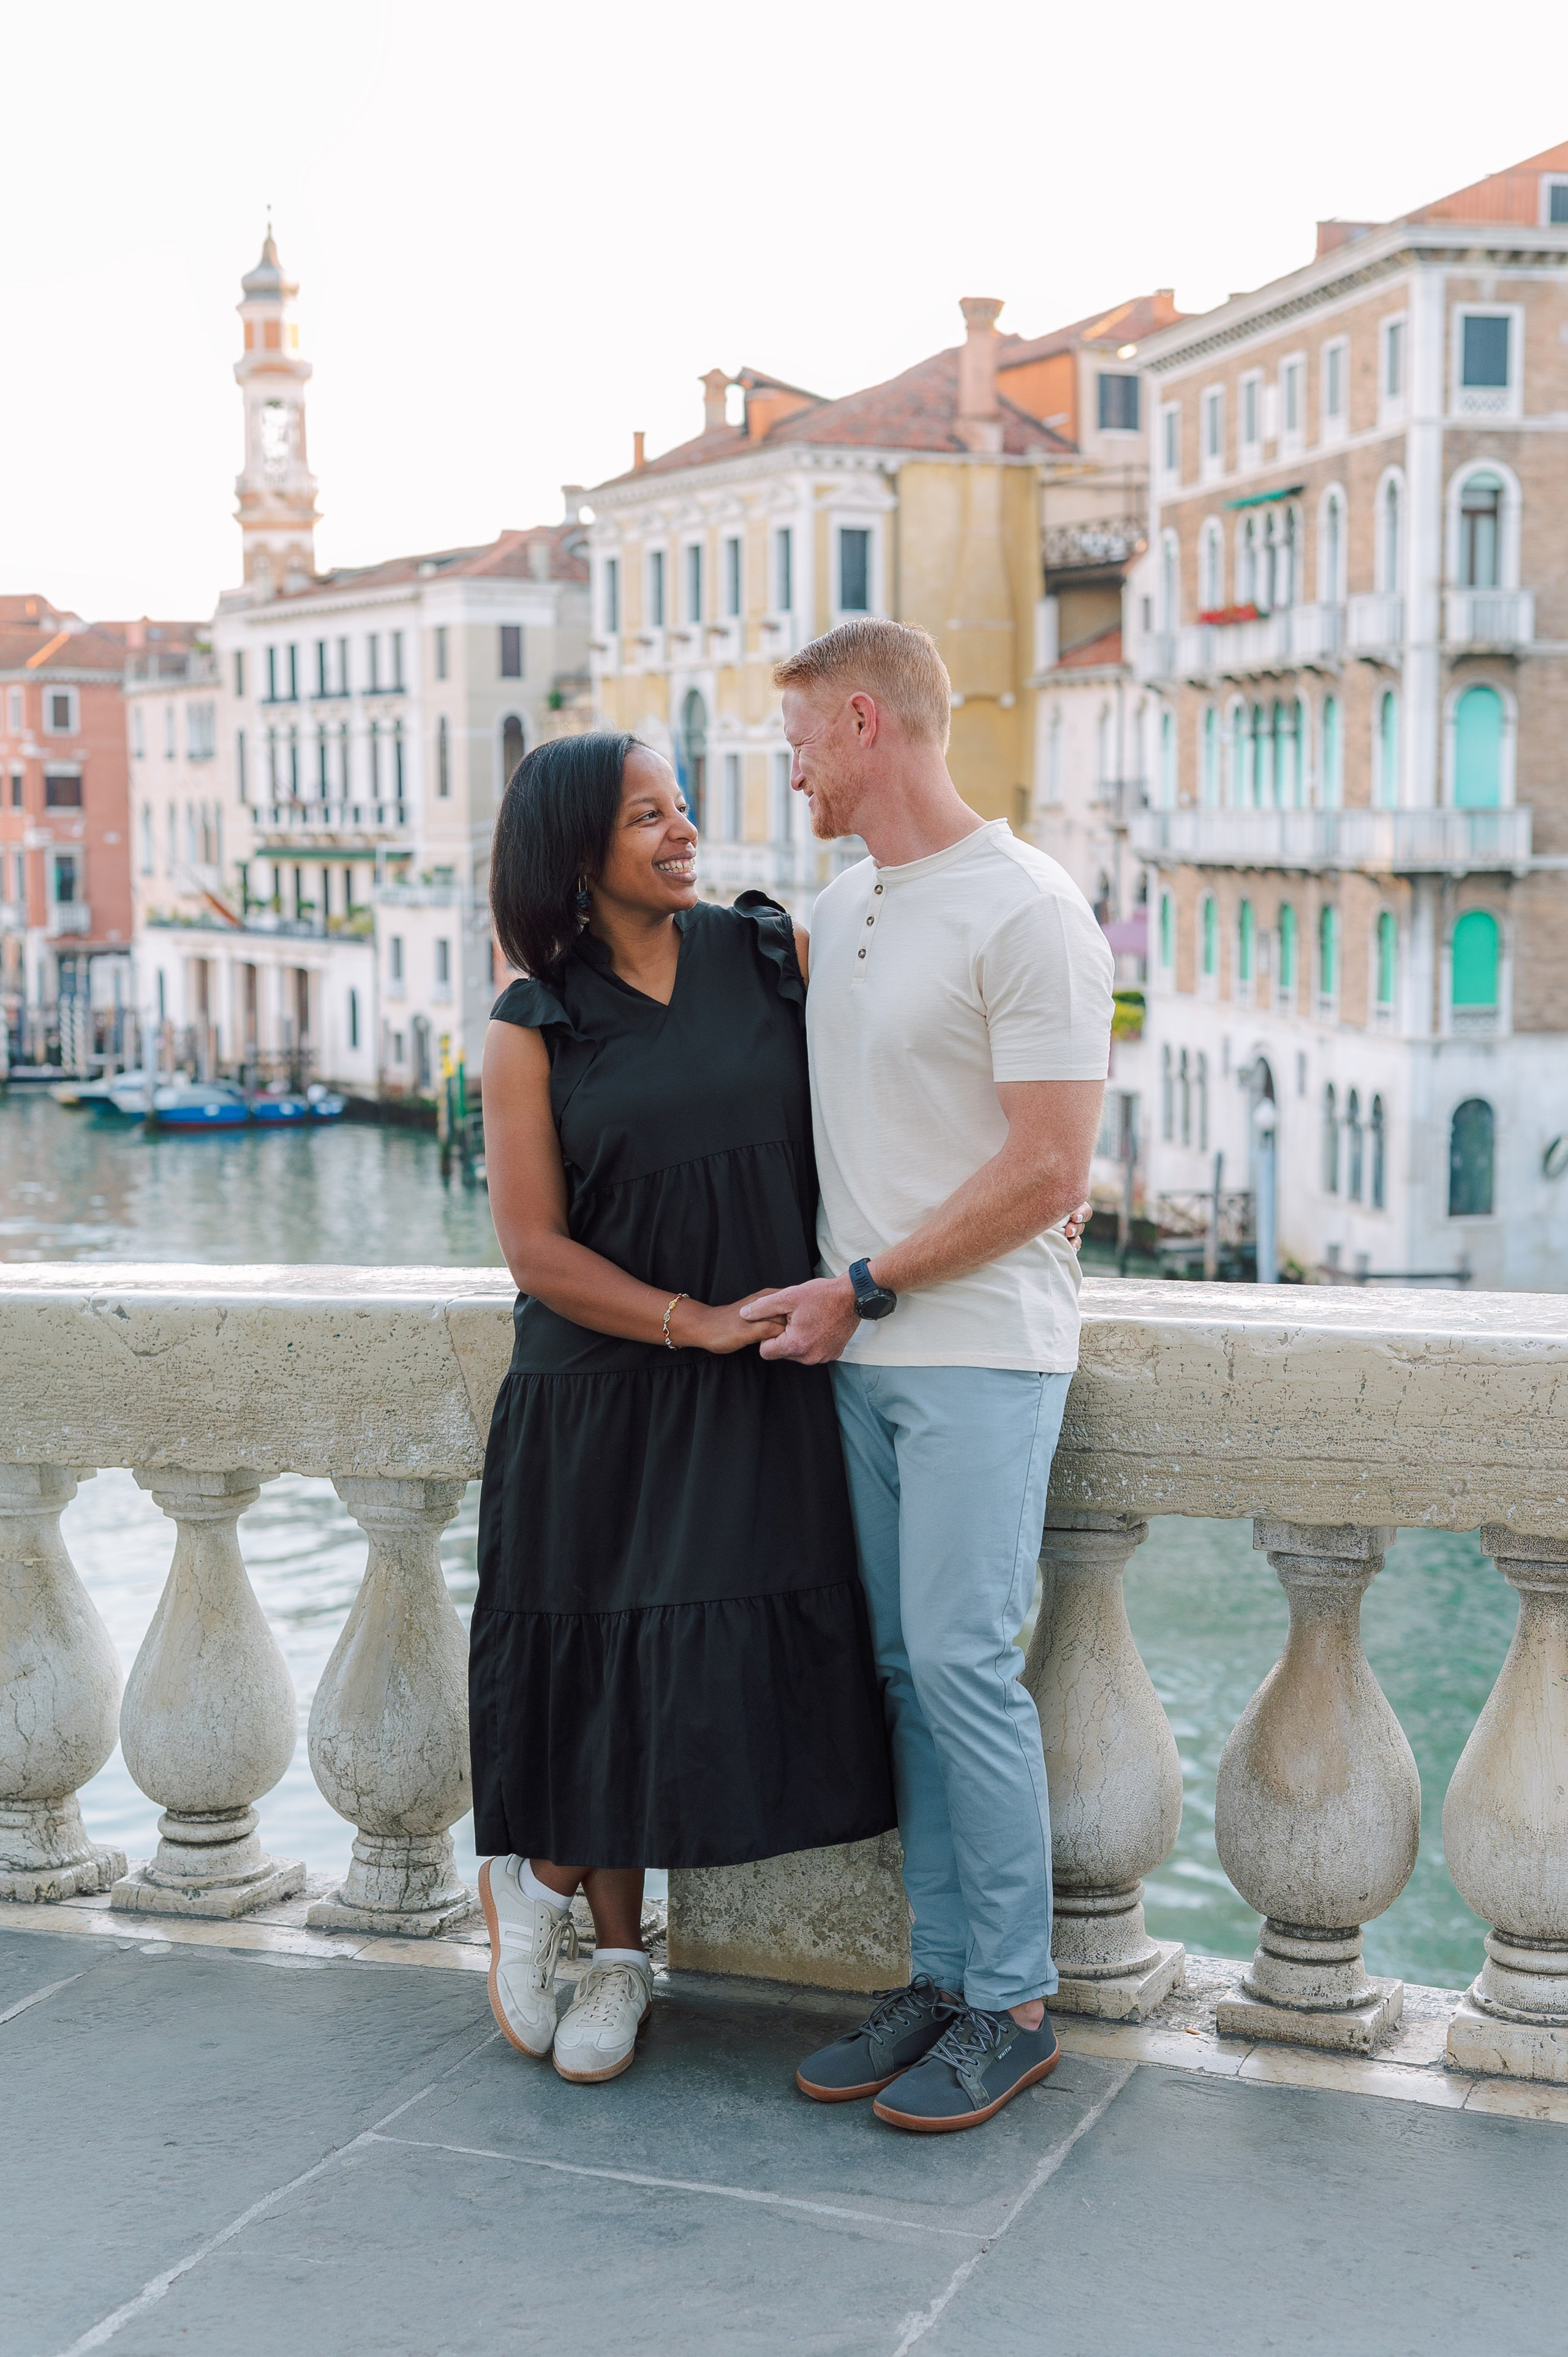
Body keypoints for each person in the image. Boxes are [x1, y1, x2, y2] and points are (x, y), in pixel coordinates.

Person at [471, 731, 895, 2087]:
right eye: (645, 815)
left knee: (680, 1674)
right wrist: (694, 1319)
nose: (682, 830)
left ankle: (547, 1895)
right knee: (603, 1661)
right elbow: (534, 1250)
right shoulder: (531, 1021)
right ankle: (607, 1952)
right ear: (573, 854)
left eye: (683, 807)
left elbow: (893, 1069)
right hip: (597, 1387)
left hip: (748, 1391)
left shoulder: (771, 954)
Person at [745, 619, 1114, 2134]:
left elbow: (1046, 1165)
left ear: (860, 723)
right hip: (862, 1343)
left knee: (963, 1666)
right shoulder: (841, 901)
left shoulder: (1029, 910)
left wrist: (870, 1284)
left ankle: (1014, 2006)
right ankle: (941, 1970)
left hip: (971, 1350)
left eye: (796, 740)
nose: (787, 767)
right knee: (905, 1673)